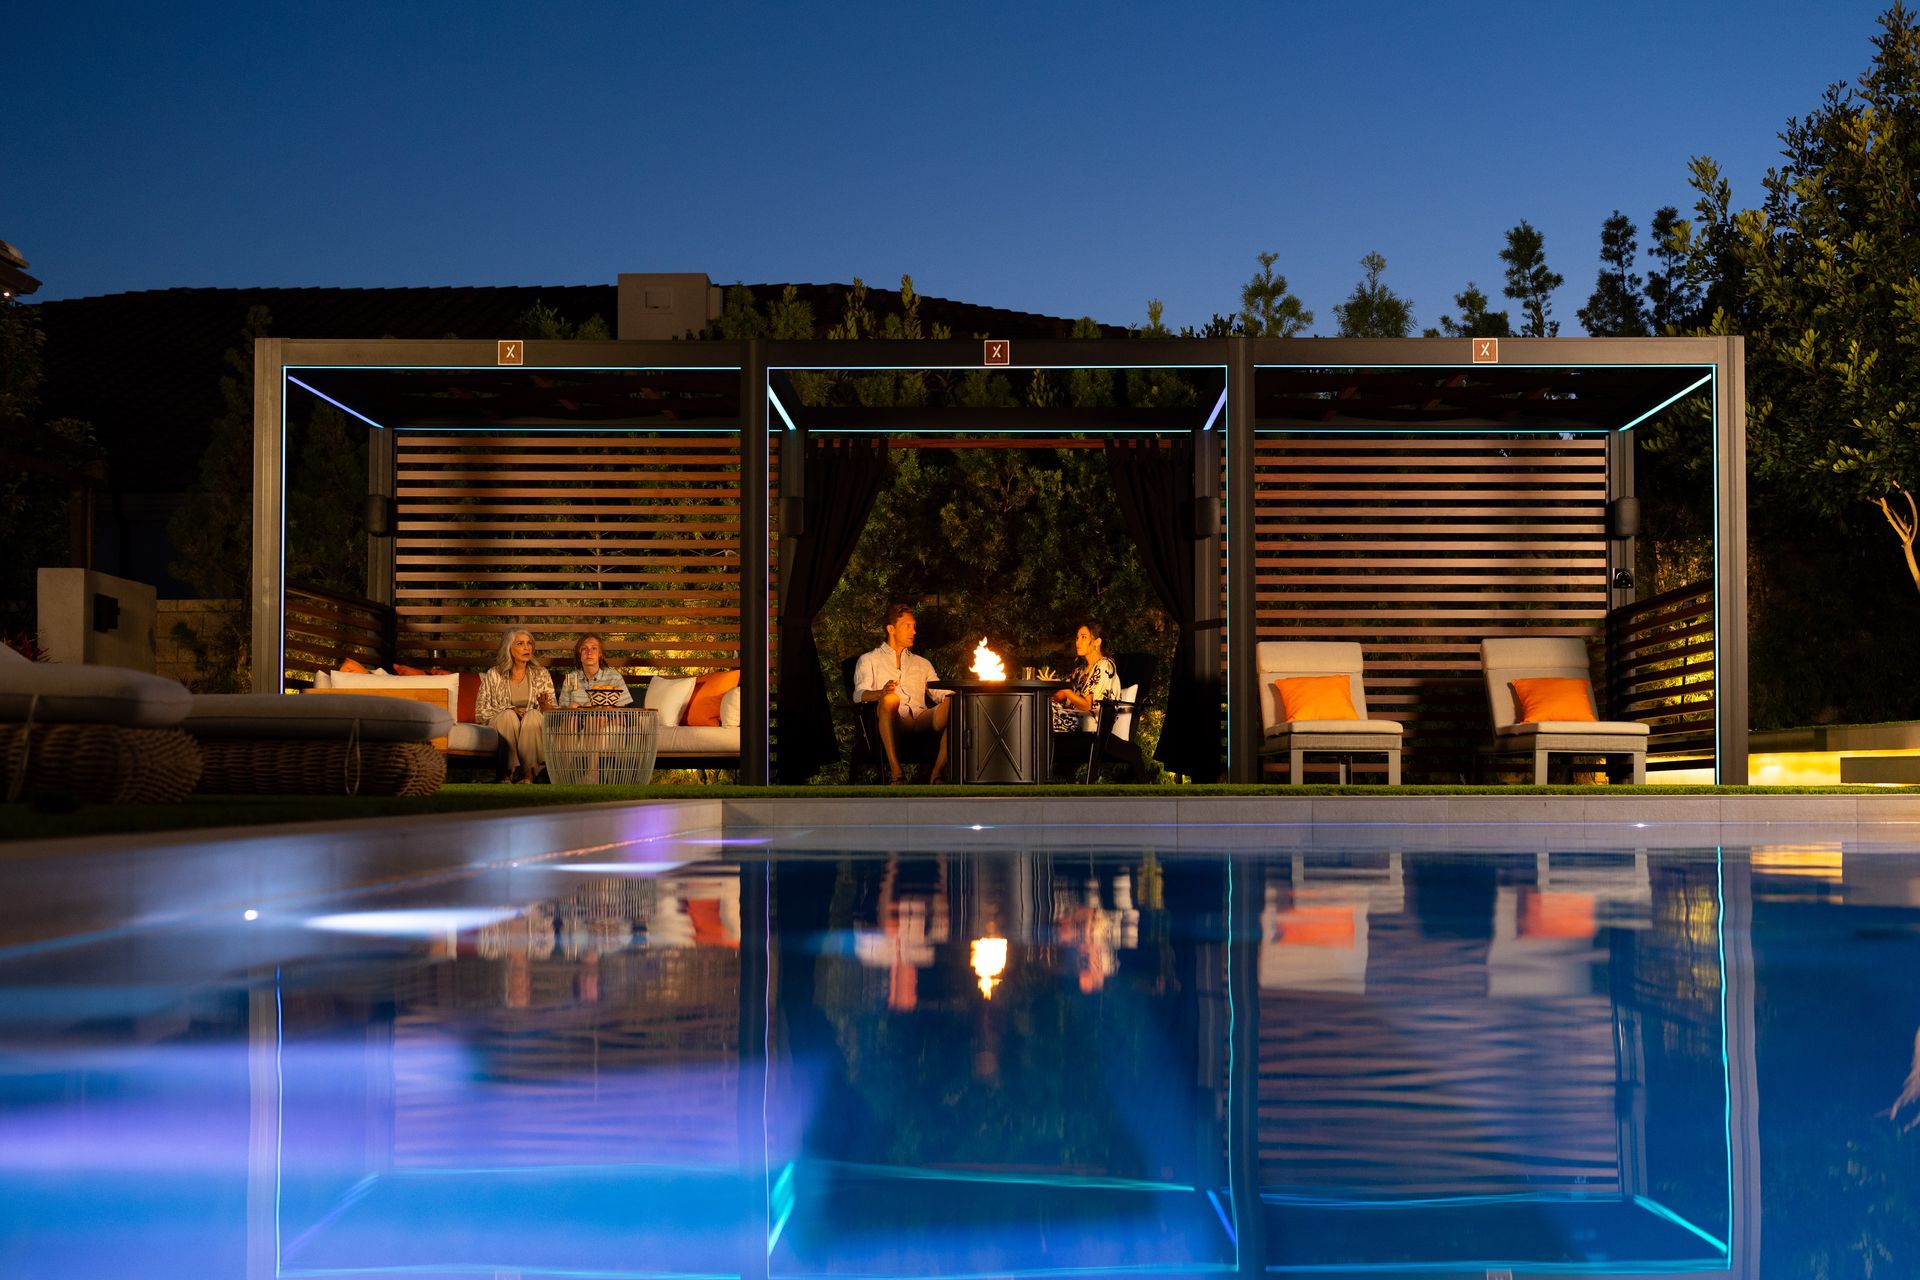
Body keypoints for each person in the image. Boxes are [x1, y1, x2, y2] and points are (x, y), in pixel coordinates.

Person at [853, 604, 950, 784]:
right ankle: (896, 773)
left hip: (921, 719)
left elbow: (938, 692)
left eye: (914, 626)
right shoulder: (869, 660)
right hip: (893, 719)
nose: (913, 631)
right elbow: (859, 694)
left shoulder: (922, 663)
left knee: (956, 703)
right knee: (890, 698)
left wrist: (955, 695)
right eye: (907, 626)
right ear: (891, 629)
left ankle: (937, 773)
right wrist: (881, 693)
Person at [476, 627, 556, 782]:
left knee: (533, 715)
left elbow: (552, 713)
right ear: (509, 648)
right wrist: (510, 709)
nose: (527, 647)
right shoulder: (494, 674)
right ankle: (508, 773)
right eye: (520, 644)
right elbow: (481, 712)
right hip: (503, 722)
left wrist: (544, 705)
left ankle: (528, 775)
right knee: (508, 716)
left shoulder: (541, 673)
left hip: (531, 725)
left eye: (529, 643)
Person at [1050, 621, 1121, 734]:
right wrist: (1049, 687)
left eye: (1084, 637)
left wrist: (1064, 688)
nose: (1078, 642)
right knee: (1042, 708)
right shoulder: (1080, 671)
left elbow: (1087, 705)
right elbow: (1059, 696)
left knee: (1045, 716)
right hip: (1075, 716)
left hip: (1093, 722)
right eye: (1077, 638)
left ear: (1097, 642)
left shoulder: (1104, 665)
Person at [558, 633, 632, 708]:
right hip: (576, 718)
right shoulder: (570, 678)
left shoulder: (614, 676)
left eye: (594, 648)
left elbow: (624, 709)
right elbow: (563, 708)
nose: (589, 652)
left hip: (606, 718)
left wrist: (604, 709)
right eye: (584, 648)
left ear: (600, 654)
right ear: (579, 654)